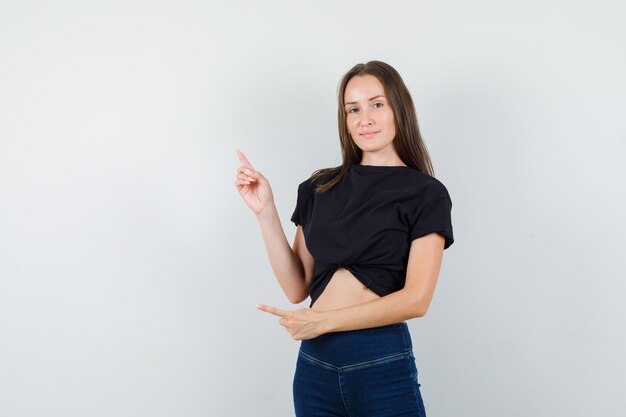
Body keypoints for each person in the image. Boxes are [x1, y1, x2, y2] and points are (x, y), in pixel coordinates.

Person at [234, 60, 454, 417]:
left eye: (376, 104)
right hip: (314, 367)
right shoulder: (318, 187)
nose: (364, 118)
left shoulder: (425, 194)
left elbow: (417, 300)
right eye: (353, 109)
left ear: (399, 109)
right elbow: (297, 287)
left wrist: (322, 322)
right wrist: (266, 213)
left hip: (380, 362)